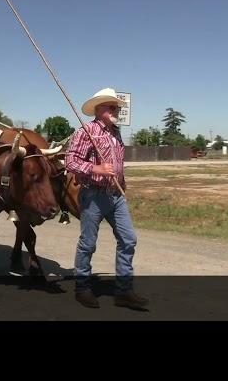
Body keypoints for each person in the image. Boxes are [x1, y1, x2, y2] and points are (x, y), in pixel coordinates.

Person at [65, 88, 149, 309]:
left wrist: (122, 181)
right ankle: (82, 287)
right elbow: (70, 162)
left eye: (117, 107)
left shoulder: (116, 132)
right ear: (99, 108)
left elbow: (117, 164)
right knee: (88, 243)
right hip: (93, 194)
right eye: (111, 106)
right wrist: (96, 168)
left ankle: (123, 291)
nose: (116, 110)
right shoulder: (86, 131)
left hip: (116, 196)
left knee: (128, 239)